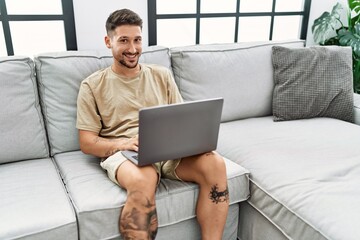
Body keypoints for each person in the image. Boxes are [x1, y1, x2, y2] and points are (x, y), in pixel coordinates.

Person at [76, 8, 229, 240]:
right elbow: (87, 143)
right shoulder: (92, 85)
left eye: (137, 40)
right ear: (108, 42)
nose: (132, 49)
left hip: (168, 150)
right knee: (143, 178)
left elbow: (181, 118)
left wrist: (193, 140)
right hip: (126, 153)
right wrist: (125, 143)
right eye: (124, 41)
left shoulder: (161, 75)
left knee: (215, 163)